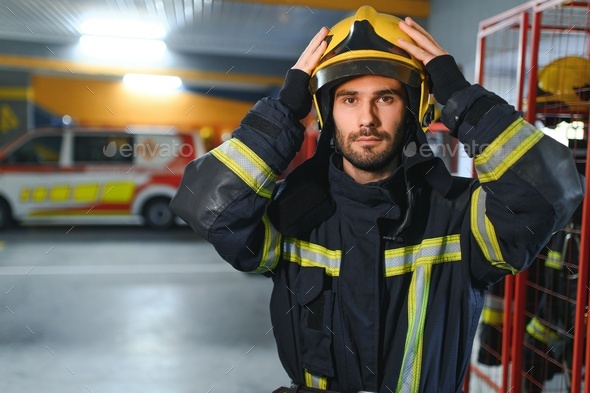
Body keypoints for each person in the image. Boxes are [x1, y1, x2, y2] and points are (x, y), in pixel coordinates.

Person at [170, 6, 585, 393]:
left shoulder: (463, 216)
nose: (366, 118)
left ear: (416, 109)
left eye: (385, 98)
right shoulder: (291, 214)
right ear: (327, 111)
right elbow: (206, 205)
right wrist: (282, 111)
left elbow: (550, 192)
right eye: (349, 99)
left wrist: (465, 101)